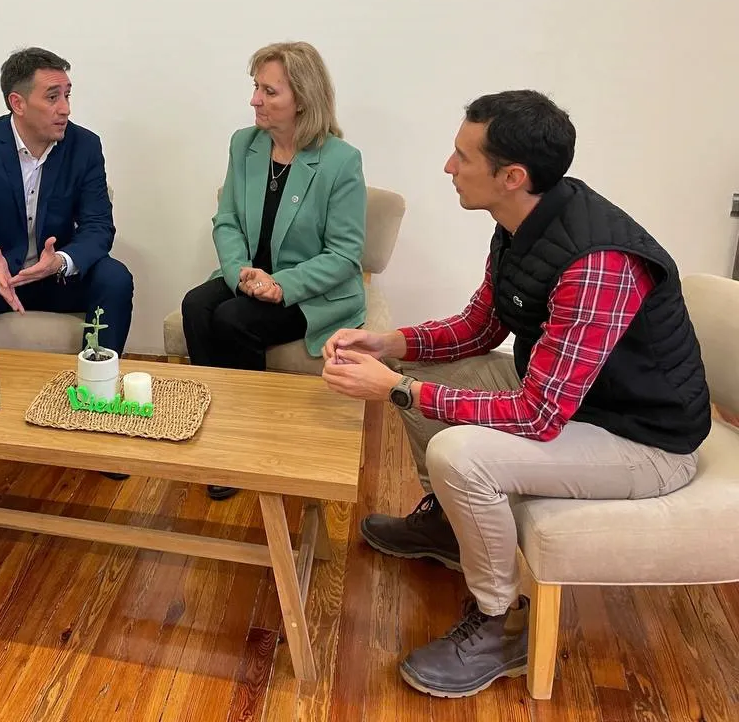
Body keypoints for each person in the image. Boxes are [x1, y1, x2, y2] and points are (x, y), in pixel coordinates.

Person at [321, 90, 710, 699]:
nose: (448, 167)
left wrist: (396, 389)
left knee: (459, 452)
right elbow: (479, 328)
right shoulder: (522, 223)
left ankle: (501, 622)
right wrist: (388, 343)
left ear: (512, 176)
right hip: (576, 402)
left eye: (461, 156)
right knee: (440, 380)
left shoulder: (596, 260)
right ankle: (453, 528)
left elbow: (538, 413)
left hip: (642, 441)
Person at [0, 47, 134, 486]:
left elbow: (98, 227)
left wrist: (63, 260)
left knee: (115, 277)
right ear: (17, 104)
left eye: (68, 95)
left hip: (56, 277)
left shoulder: (85, 145)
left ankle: (99, 416)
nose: (65, 109)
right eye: (53, 97)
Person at [181, 41, 366, 500]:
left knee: (231, 319)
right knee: (195, 304)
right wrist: (239, 272)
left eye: (269, 91)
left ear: (302, 98)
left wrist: (280, 285)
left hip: (309, 290)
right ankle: (213, 425)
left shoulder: (340, 161)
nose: (255, 100)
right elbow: (226, 220)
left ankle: (247, 443)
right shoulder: (245, 144)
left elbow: (345, 255)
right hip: (249, 277)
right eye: (255, 88)